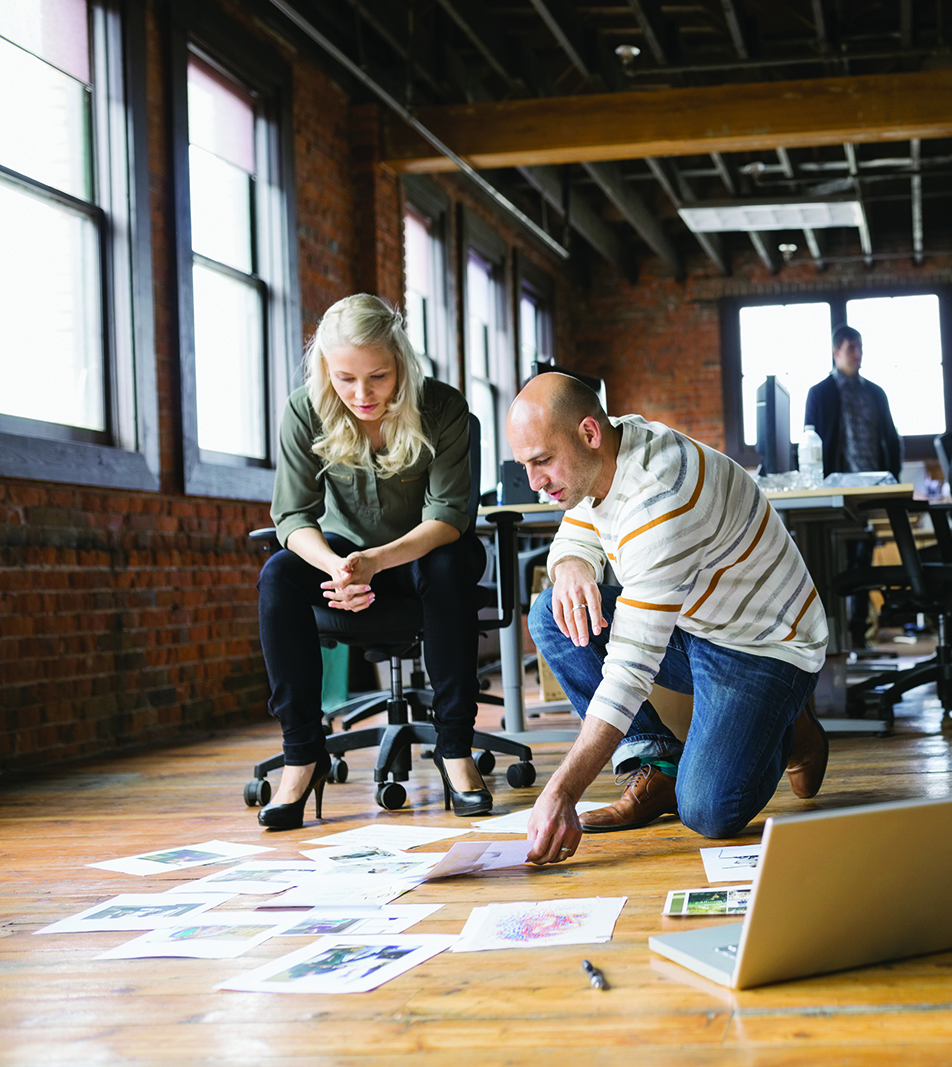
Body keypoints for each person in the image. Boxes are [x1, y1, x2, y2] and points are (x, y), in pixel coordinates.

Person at [509, 373, 830, 866]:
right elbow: (582, 515)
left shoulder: (660, 500)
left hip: (765, 646)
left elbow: (628, 675)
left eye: (542, 461)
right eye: (525, 465)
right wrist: (571, 562)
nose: (534, 483)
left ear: (588, 433)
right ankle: (656, 763)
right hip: (698, 623)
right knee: (553, 613)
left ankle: (792, 726)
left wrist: (561, 791)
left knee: (709, 811)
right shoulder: (614, 444)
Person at [257, 294, 490, 830]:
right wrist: (337, 567)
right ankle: (302, 755)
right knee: (276, 575)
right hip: (343, 564)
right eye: (345, 379)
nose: (362, 394)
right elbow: (292, 517)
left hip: (420, 561)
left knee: (451, 563)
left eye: (379, 376)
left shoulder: (444, 409)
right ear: (326, 371)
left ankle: (454, 747)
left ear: (402, 363)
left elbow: (450, 517)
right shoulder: (304, 410)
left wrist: (375, 563)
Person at [803, 324, 901, 646]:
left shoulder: (876, 392)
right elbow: (809, 441)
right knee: (837, 561)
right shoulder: (819, 393)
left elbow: (891, 439)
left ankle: (858, 633)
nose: (857, 354)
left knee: (864, 561)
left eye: (859, 347)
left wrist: (892, 481)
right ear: (835, 352)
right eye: (850, 348)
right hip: (835, 492)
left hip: (872, 489)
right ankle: (835, 636)